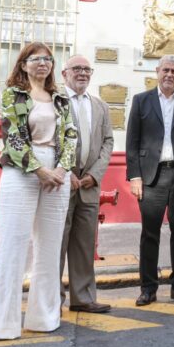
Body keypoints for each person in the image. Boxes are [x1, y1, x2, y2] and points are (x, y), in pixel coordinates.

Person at [0, 42, 76, 340]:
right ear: (23, 64)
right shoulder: (13, 94)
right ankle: (3, 325)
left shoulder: (60, 96)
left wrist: (61, 170)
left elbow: (72, 136)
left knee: (50, 249)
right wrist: (40, 170)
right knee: (12, 247)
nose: (43, 63)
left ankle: (44, 318)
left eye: (48, 59)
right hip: (21, 171)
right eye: (36, 59)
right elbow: (12, 136)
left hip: (58, 174)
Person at [126, 54, 174, 305]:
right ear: (157, 71)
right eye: (165, 70)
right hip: (151, 177)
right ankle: (148, 288)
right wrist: (134, 176)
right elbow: (132, 142)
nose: (169, 74)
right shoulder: (141, 101)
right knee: (150, 234)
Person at [59, 55, 114, 313]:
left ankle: (82, 298)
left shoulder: (100, 105)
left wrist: (95, 174)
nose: (82, 73)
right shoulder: (54, 102)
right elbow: (48, 138)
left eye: (86, 69)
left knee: (84, 245)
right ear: (64, 74)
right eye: (76, 68)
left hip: (89, 186)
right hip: (61, 184)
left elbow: (108, 142)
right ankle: (52, 300)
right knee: (56, 244)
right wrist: (65, 171)